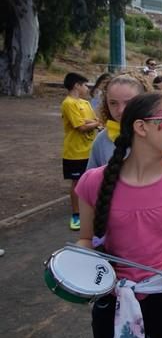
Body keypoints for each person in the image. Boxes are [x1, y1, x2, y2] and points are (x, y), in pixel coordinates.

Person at [75, 92, 162, 338]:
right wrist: (79, 266)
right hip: (114, 299)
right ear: (141, 127)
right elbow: (86, 238)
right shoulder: (93, 181)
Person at [87, 73, 152, 169]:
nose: (120, 110)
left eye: (129, 102)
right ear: (106, 104)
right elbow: (91, 179)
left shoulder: (160, 135)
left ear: (144, 101)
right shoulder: (102, 140)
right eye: (113, 103)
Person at [62, 72, 101, 230]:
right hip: (75, 151)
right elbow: (81, 126)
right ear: (76, 85)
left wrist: (93, 123)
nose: (87, 88)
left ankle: (93, 210)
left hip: (90, 149)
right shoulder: (69, 103)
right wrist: (94, 123)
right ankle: (76, 214)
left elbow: (93, 121)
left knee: (95, 179)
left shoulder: (85, 103)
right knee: (77, 182)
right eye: (85, 85)